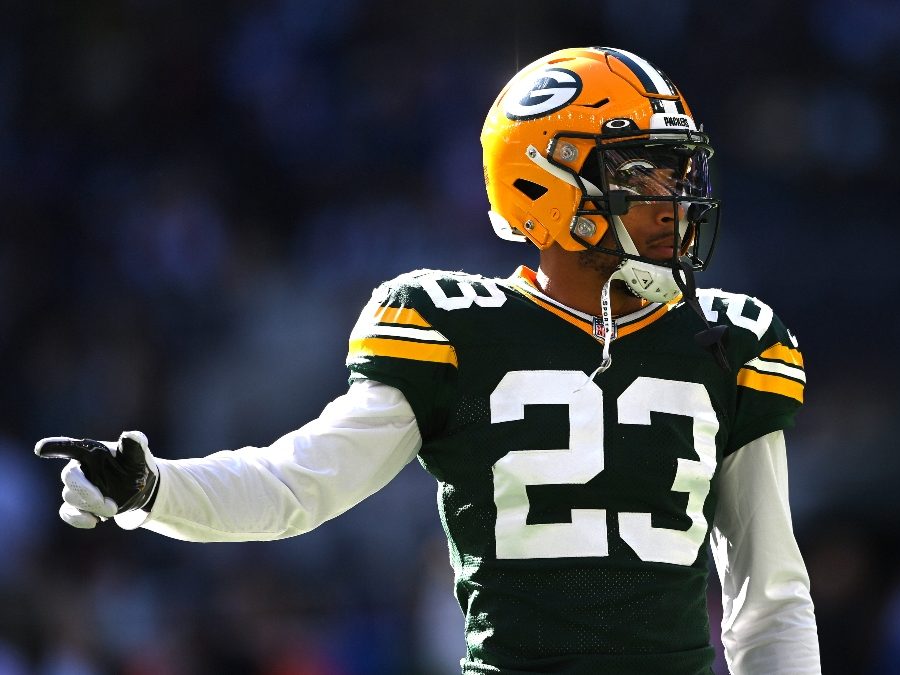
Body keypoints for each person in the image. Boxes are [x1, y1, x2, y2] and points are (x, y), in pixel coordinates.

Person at [35, 47, 821, 674]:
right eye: (643, 168)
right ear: (544, 181)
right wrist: (153, 487)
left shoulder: (727, 340)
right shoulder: (455, 327)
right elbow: (297, 485)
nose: (674, 192)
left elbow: (769, 597)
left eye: (677, 168)